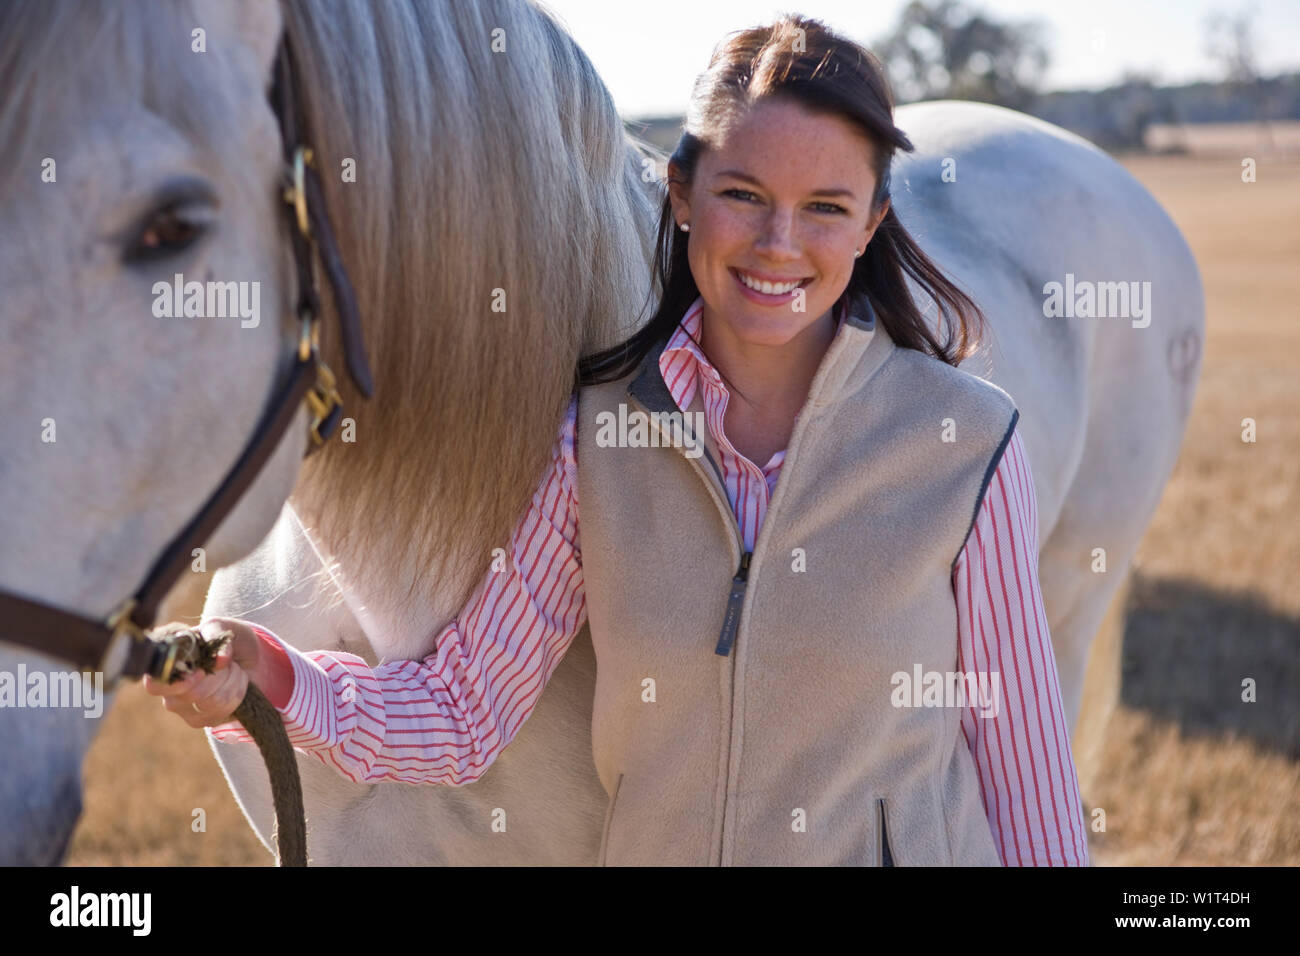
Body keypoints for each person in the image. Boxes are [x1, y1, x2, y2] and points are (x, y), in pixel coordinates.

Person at [147, 14, 1088, 866]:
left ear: (872, 222)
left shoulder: (965, 443)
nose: (777, 243)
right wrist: (269, 677)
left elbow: (1027, 773)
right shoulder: (596, 439)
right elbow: (464, 712)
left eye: (826, 208)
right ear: (680, 195)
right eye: (744, 194)